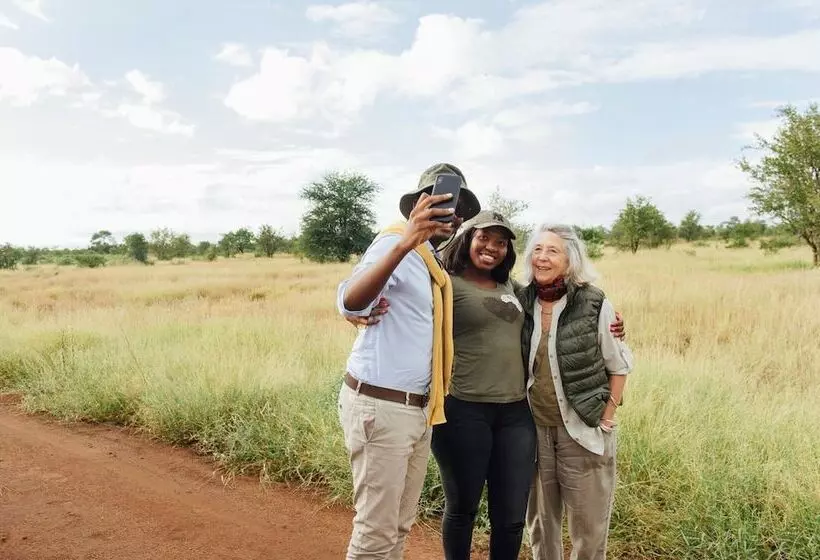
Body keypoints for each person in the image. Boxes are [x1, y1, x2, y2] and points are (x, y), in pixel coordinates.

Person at [349, 214, 626, 560]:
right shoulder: (446, 283)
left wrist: (611, 323)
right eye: (484, 238)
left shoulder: (514, 289)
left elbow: (568, 315)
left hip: (515, 414)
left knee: (511, 517)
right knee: (463, 508)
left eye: (500, 242)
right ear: (467, 239)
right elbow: (402, 305)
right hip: (464, 409)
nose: (491, 248)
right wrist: (354, 309)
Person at [335, 162, 482, 560]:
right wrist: (405, 243)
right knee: (376, 529)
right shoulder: (395, 243)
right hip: (382, 406)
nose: (452, 213)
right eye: (442, 201)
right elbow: (353, 298)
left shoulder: (431, 261)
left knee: (400, 525)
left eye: (459, 206)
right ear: (419, 204)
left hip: (417, 408)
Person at [517, 223, 634, 560]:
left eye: (552, 251)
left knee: (589, 526)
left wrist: (607, 417)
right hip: (534, 430)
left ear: (570, 260)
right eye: (537, 250)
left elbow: (619, 364)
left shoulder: (594, 303)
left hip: (582, 430)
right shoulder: (522, 301)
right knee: (541, 523)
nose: (542, 257)